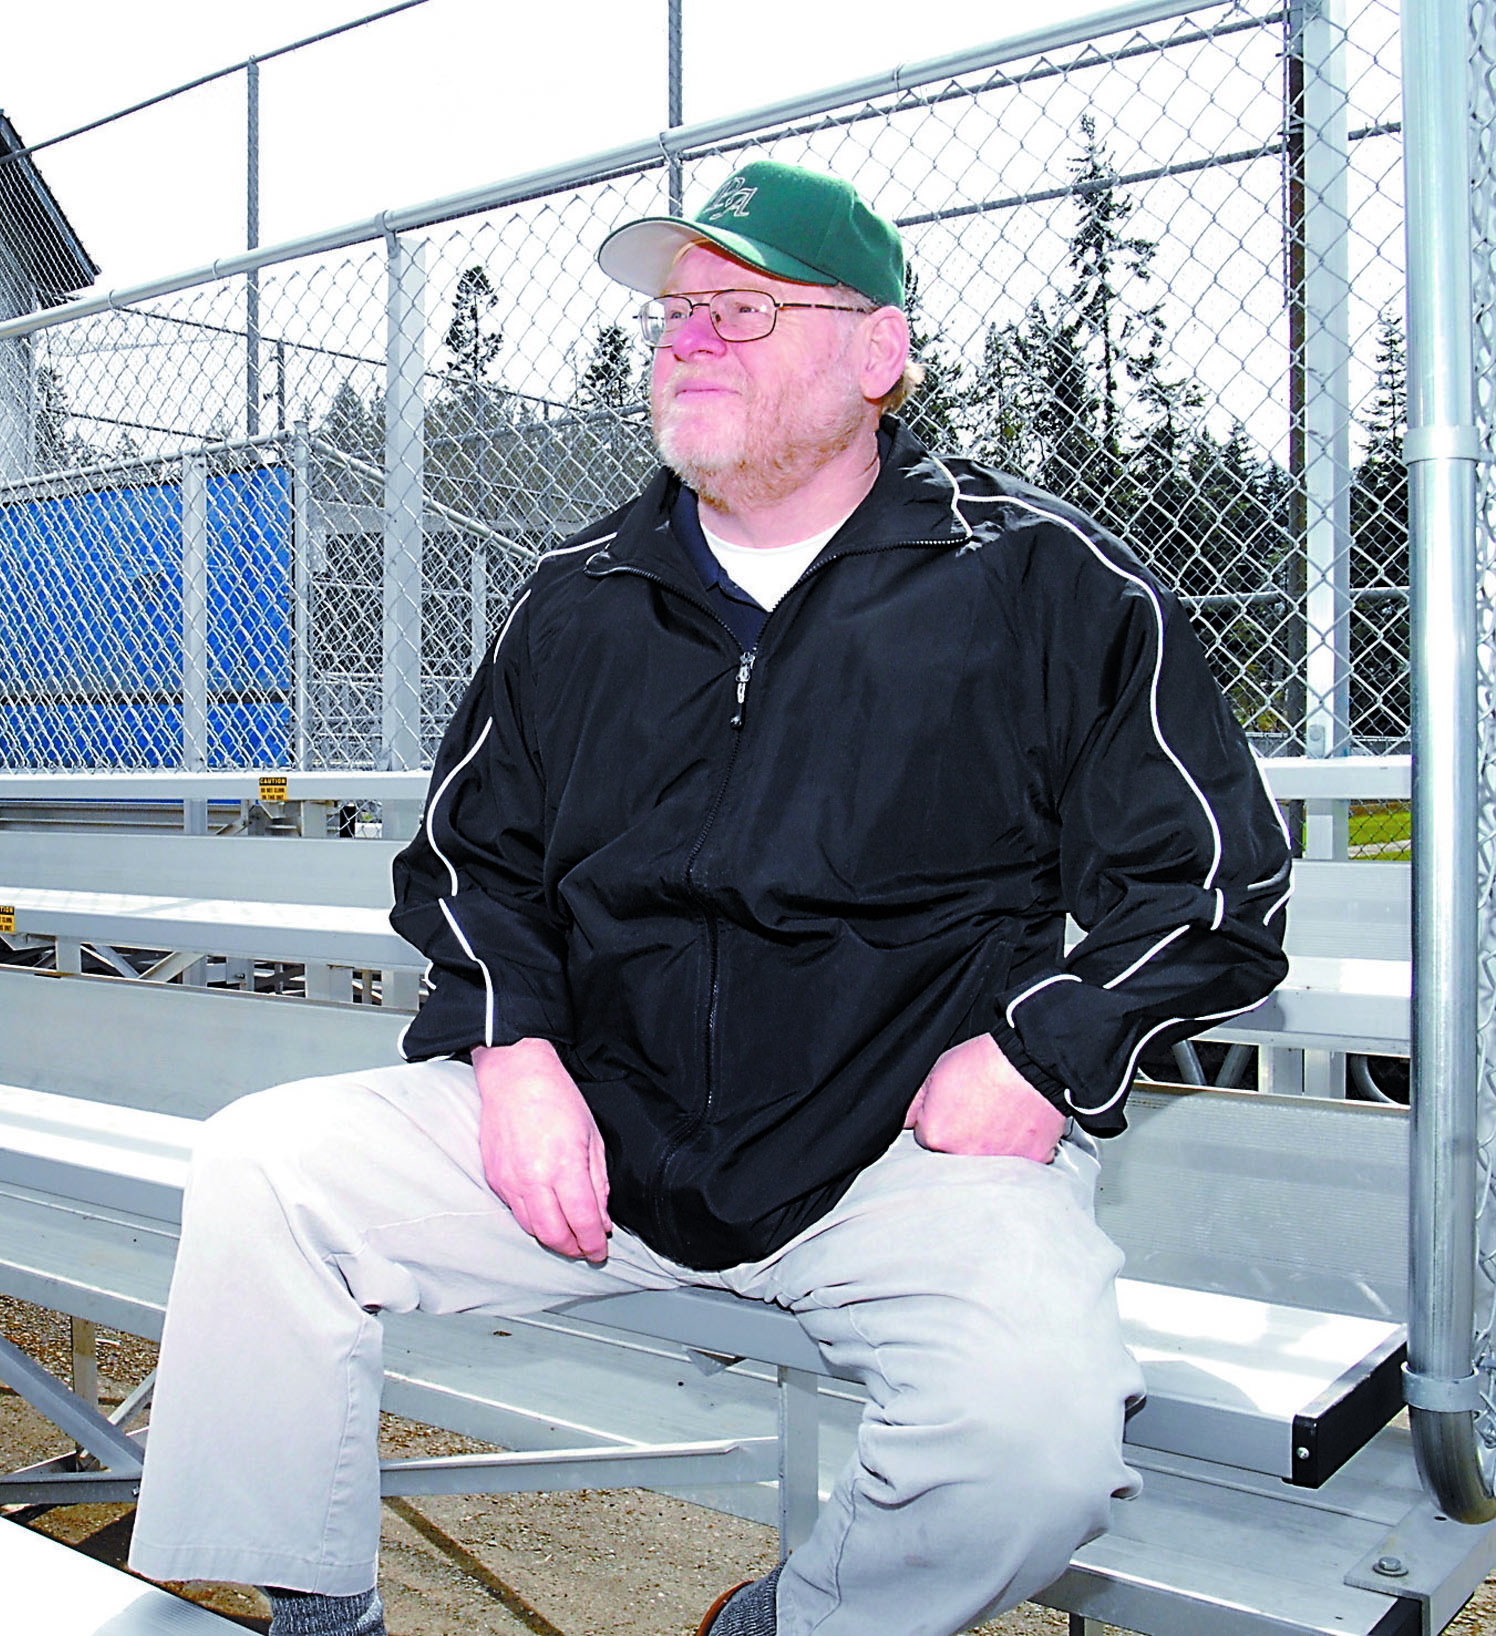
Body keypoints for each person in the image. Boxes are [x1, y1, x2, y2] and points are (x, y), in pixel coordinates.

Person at [123, 159, 1291, 1636]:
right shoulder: (580, 594)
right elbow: (471, 864)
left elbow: (1213, 893)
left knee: (1034, 1446)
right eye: (678, 313)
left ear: (879, 353)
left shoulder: (1053, 584)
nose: (684, 340)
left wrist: (1037, 1054)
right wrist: (516, 1049)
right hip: (602, 1126)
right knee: (266, 1171)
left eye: (742, 309)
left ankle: (789, 1624)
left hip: (900, 1148)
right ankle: (318, 1613)